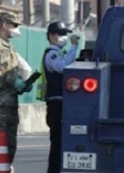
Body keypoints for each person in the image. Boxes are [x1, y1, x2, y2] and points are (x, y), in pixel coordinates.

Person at [0, 12, 31, 173]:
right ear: (4, 25)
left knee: (10, 148)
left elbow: (13, 73)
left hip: (10, 105)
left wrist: (22, 85)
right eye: (14, 25)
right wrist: (11, 81)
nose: (17, 29)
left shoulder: (10, 47)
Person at [41, 21, 79, 173]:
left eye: (65, 34)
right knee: (57, 143)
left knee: (63, 142)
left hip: (62, 102)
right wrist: (74, 47)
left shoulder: (60, 52)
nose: (64, 37)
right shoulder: (52, 53)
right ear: (51, 36)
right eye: (60, 34)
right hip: (55, 103)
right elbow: (62, 67)